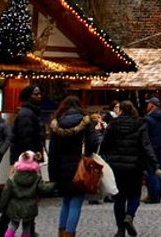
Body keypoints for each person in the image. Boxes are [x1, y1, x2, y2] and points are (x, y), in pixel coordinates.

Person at [100, 99, 158, 237]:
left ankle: (120, 229)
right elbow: (146, 145)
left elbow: (104, 145)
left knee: (119, 199)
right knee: (134, 195)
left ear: (121, 110)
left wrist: (107, 159)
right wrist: (154, 163)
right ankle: (129, 216)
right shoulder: (140, 124)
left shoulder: (113, 124)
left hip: (117, 168)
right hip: (135, 167)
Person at [0, 85, 45, 237]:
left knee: (28, 196)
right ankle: (1, 231)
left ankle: (28, 230)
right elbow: (25, 139)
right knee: (18, 196)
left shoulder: (30, 113)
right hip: (26, 163)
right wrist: (30, 159)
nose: (39, 96)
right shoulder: (26, 115)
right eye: (36, 93)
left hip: (29, 161)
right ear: (29, 96)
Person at [48, 95, 101, 237]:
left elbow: (52, 151)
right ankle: (69, 233)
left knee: (66, 200)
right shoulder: (86, 121)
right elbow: (93, 142)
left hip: (60, 167)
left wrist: (52, 174)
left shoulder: (56, 123)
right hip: (79, 166)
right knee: (76, 202)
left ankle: (61, 232)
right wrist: (88, 153)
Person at [0, 150, 53, 237]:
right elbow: (44, 189)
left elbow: (6, 194)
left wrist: (2, 207)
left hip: (15, 206)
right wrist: (54, 184)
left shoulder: (12, 178)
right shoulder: (37, 177)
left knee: (13, 225)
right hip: (30, 207)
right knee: (27, 227)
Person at [143, 96, 161, 204]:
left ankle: (152, 196)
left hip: (151, 150)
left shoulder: (148, 119)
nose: (147, 106)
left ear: (152, 105)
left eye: (148, 104)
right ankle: (157, 195)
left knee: (151, 173)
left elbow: (145, 137)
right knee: (159, 172)